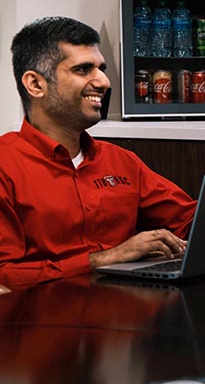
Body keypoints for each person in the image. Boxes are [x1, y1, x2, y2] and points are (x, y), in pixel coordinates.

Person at [0, 17, 195, 289]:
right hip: (44, 322)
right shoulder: (5, 166)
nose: (103, 81)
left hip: (129, 316)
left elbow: (189, 219)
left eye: (101, 69)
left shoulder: (121, 161)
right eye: (83, 69)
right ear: (35, 85)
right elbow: (5, 276)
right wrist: (104, 259)